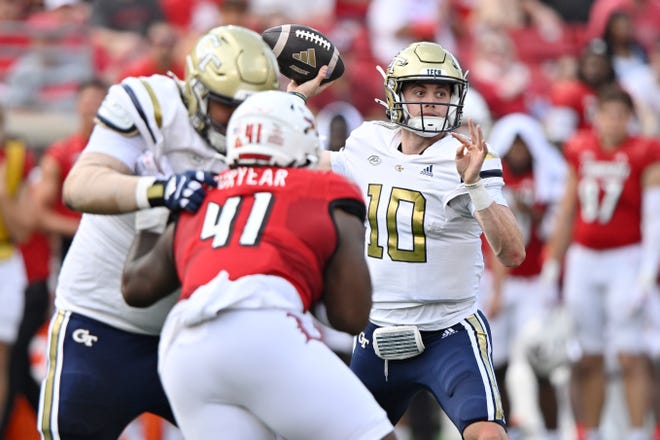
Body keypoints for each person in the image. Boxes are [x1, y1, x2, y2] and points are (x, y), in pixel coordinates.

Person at [36, 25, 292, 439]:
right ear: (197, 91)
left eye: (253, 106)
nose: (240, 120)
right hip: (102, 318)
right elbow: (80, 185)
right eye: (229, 106)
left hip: (195, 330)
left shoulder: (268, 130)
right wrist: (159, 190)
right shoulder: (152, 104)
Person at [120, 90, 397, 440]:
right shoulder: (326, 188)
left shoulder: (205, 189)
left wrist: (152, 210)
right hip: (263, 323)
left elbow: (136, 288)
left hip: (185, 346)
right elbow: (351, 317)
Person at [314, 41, 526, 439]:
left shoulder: (467, 156)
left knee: (488, 435)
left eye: (441, 92)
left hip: (449, 331)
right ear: (397, 94)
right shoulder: (367, 142)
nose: (431, 102)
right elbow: (306, 160)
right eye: (419, 91)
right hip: (376, 332)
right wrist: (292, 104)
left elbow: (513, 251)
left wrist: (475, 186)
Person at [542, 84, 660, 440]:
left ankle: (639, 433)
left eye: (621, 114)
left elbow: (655, 218)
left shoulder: (644, 152)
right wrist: (553, 263)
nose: (613, 121)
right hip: (584, 258)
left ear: (631, 119)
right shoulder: (580, 149)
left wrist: (647, 273)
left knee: (630, 355)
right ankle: (590, 433)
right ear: (596, 116)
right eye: (608, 113)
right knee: (589, 355)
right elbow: (567, 209)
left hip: (626, 256)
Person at [480, 112, 568, 439]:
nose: (517, 152)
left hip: (533, 280)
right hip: (496, 278)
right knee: (495, 360)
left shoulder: (548, 176)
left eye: (524, 145)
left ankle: (553, 430)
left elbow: (554, 228)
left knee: (541, 359)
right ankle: (506, 427)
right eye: (512, 145)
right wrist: (497, 292)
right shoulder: (492, 178)